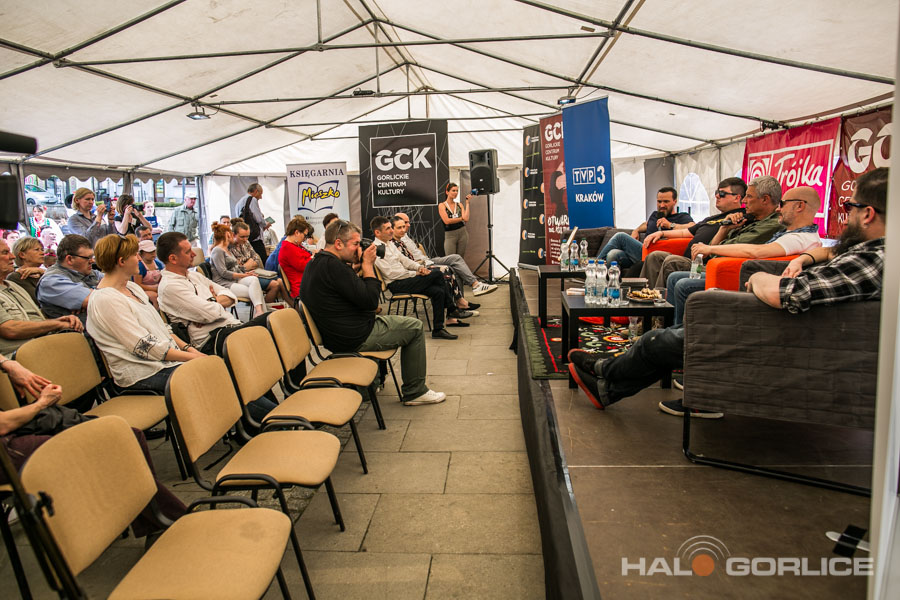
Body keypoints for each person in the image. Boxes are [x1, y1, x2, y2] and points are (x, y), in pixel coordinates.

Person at [567, 167, 889, 419]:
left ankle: (606, 372)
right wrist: (806, 258)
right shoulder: (868, 252)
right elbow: (829, 252)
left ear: (868, 213)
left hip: (780, 333)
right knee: (668, 329)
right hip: (787, 325)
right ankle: (607, 384)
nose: (846, 213)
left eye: (851, 206)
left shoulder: (871, 260)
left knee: (658, 340)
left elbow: (788, 292)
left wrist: (759, 278)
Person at [0, 360, 187, 537]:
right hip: (6, 446)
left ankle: (156, 522)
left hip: (13, 427)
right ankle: (172, 520)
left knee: (129, 436)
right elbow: (3, 424)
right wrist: (42, 403)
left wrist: (9, 364)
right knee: (105, 446)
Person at [300, 219, 446, 406]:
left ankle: (370, 386)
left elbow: (350, 294)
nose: (358, 248)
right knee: (415, 327)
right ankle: (415, 391)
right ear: (338, 244)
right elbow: (370, 302)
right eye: (355, 244)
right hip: (354, 336)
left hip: (337, 334)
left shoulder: (318, 263)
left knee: (390, 321)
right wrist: (368, 266)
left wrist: (354, 269)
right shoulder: (334, 267)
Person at [86, 234, 203, 394]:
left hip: (163, 361)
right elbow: (145, 347)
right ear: (122, 261)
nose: (139, 259)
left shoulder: (132, 288)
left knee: (211, 370)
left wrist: (189, 349)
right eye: (135, 255)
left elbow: (162, 328)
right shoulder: (105, 299)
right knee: (204, 376)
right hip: (141, 372)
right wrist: (193, 357)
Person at [665, 175, 787, 324]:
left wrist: (709, 248)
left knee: (682, 283)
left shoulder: (772, 224)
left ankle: (682, 332)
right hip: (712, 265)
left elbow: (733, 246)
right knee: (674, 277)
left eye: (749, 196)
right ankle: (670, 326)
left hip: (733, 273)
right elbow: (712, 250)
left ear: (765, 199)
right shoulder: (748, 219)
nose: (744, 200)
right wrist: (724, 228)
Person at [371, 216, 468, 339]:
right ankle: (452, 308)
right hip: (397, 283)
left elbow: (405, 260)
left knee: (438, 291)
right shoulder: (375, 250)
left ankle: (438, 329)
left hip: (406, 278)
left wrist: (419, 268)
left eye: (391, 227)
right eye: (388, 229)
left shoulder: (389, 243)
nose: (391, 231)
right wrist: (415, 273)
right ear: (377, 232)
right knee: (438, 274)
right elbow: (391, 274)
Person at [641, 177, 747, 288]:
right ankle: (645, 294)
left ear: (737, 198)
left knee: (671, 261)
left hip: (702, 264)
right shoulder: (712, 218)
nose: (717, 196)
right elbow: (685, 232)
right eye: (717, 192)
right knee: (654, 256)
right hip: (688, 259)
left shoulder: (738, 218)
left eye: (722, 193)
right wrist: (661, 233)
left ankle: (659, 297)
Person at [0, 238, 82, 357]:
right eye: (5, 252)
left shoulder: (12, 285)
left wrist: (61, 319)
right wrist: (56, 324)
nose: (12, 256)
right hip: (22, 356)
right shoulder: (17, 278)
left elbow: (36, 315)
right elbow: (10, 329)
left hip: (43, 344)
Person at [394, 211, 497, 297]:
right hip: (421, 265)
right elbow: (405, 262)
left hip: (427, 260)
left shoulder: (405, 236)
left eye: (407, 223)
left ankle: (469, 292)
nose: (408, 225)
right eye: (404, 223)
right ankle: (465, 298)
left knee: (456, 259)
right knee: (453, 268)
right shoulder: (396, 242)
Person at [596, 187, 694, 269]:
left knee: (620, 237)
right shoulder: (655, 215)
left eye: (666, 202)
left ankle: (594, 266)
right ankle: (610, 283)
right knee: (612, 254)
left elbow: (693, 227)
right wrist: (636, 230)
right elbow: (647, 224)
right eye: (659, 201)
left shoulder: (682, 217)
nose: (662, 205)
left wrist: (670, 225)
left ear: (675, 202)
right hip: (642, 252)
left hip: (658, 256)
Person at [36, 234, 102, 323]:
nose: (92, 261)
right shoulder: (52, 281)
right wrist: (93, 297)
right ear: (70, 259)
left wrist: (93, 294)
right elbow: (98, 301)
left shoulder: (87, 272)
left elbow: (120, 284)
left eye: (92, 257)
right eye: (88, 258)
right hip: (78, 331)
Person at [208, 223, 267, 318]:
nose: (233, 235)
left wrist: (246, 273)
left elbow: (236, 267)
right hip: (225, 283)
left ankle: (260, 313)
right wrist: (243, 275)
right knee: (255, 292)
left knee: (254, 280)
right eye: (231, 233)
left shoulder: (226, 250)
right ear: (227, 235)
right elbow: (223, 272)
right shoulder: (217, 251)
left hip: (234, 280)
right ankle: (261, 314)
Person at [228, 219, 285, 305]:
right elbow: (235, 268)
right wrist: (248, 263)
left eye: (247, 236)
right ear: (234, 235)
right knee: (275, 285)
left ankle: (271, 306)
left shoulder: (246, 243)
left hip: (254, 272)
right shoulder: (229, 247)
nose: (245, 239)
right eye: (242, 237)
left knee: (280, 281)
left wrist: (247, 263)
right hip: (241, 277)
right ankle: (264, 308)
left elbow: (256, 258)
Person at [278, 215, 314, 299]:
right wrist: (313, 257)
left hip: (307, 282)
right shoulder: (288, 248)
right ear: (297, 233)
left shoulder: (295, 245)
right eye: (304, 235)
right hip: (303, 286)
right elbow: (304, 266)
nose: (304, 238)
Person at [235, 183, 270, 261]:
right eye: (260, 194)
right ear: (256, 191)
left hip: (246, 238)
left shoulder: (239, 203)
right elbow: (258, 218)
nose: (261, 197)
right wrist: (265, 224)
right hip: (255, 238)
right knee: (262, 261)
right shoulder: (252, 199)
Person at [9, 236, 45, 303]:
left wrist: (42, 272)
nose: (42, 253)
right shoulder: (16, 277)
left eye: (42, 249)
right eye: (37, 250)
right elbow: (41, 299)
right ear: (22, 255)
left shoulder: (43, 273)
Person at [440, 183, 470, 257]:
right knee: (451, 259)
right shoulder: (442, 205)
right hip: (450, 235)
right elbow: (447, 221)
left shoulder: (459, 205)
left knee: (460, 258)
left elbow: (466, 218)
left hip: (462, 233)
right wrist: (461, 218)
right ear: (447, 192)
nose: (456, 193)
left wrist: (467, 203)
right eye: (453, 190)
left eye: (457, 191)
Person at [135, 239, 164, 308]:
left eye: (154, 251)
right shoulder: (139, 266)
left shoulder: (158, 264)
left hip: (157, 288)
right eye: (150, 252)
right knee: (155, 296)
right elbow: (138, 285)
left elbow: (162, 279)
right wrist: (154, 289)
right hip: (143, 290)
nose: (153, 254)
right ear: (141, 253)